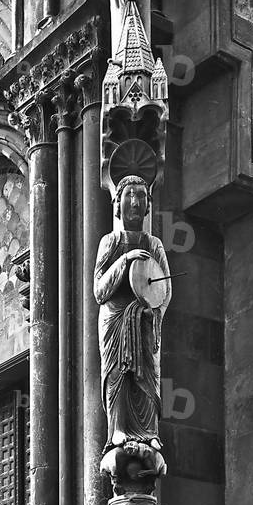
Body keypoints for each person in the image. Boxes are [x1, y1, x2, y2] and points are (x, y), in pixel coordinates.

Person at [94, 175, 171, 455]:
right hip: (115, 320)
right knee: (118, 373)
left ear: (148, 205)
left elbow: (165, 287)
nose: (135, 202)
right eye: (129, 196)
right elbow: (100, 291)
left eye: (141, 196)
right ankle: (118, 431)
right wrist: (125, 260)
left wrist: (154, 311)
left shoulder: (154, 244)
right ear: (118, 204)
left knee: (146, 375)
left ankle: (149, 433)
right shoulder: (109, 242)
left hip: (144, 319)